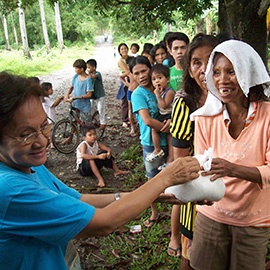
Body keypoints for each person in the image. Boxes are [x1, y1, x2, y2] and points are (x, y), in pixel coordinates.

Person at [0, 71, 200, 269]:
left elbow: (78, 199)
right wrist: (165, 177)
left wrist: (154, 195)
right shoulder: (9, 189)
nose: (42, 140)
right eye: (26, 135)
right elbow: (104, 222)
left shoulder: (25, 164)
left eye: (44, 126)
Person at [189, 40, 270, 270]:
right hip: (212, 213)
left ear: (246, 72)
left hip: (254, 218)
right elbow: (200, 165)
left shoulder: (267, 116)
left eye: (231, 72)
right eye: (216, 72)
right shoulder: (204, 119)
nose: (222, 79)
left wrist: (232, 169)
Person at [168, 34, 219, 268]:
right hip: (200, 191)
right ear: (188, 70)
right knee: (192, 255)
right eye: (196, 62)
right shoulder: (186, 103)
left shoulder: (233, 99)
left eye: (210, 60)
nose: (204, 68)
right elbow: (180, 162)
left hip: (233, 192)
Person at [130, 56, 171, 228]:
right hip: (151, 142)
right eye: (136, 73)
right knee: (152, 179)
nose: (141, 76)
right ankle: (155, 212)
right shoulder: (138, 94)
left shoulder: (160, 88)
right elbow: (146, 120)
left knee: (170, 176)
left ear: (151, 69)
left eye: (144, 71)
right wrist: (169, 128)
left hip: (168, 140)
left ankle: (174, 208)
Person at [146, 64, 175, 167]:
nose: (157, 81)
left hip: (169, 115)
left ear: (167, 79)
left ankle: (171, 158)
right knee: (153, 129)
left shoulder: (169, 92)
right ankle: (157, 149)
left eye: (160, 78)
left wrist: (157, 95)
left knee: (170, 136)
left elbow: (164, 105)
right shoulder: (161, 91)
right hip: (162, 115)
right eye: (154, 79)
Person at [86, 59, 106, 130]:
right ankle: (91, 121)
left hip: (100, 95)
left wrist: (87, 76)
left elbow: (94, 76)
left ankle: (103, 122)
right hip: (92, 96)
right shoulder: (88, 76)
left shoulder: (98, 74)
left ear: (94, 67)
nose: (88, 69)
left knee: (101, 109)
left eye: (89, 67)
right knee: (90, 108)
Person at [116, 43, 130, 128]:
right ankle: (125, 120)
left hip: (132, 79)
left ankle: (131, 118)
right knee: (125, 100)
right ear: (119, 52)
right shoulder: (120, 61)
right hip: (125, 81)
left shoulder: (131, 58)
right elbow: (126, 72)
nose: (124, 50)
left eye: (125, 48)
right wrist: (126, 83)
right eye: (122, 49)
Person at [125, 56, 139, 136]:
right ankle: (134, 128)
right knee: (135, 110)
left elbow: (121, 77)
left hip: (130, 90)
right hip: (133, 91)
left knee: (131, 109)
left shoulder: (129, 73)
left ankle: (133, 128)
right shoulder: (133, 72)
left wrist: (127, 83)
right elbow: (121, 77)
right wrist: (126, 83)